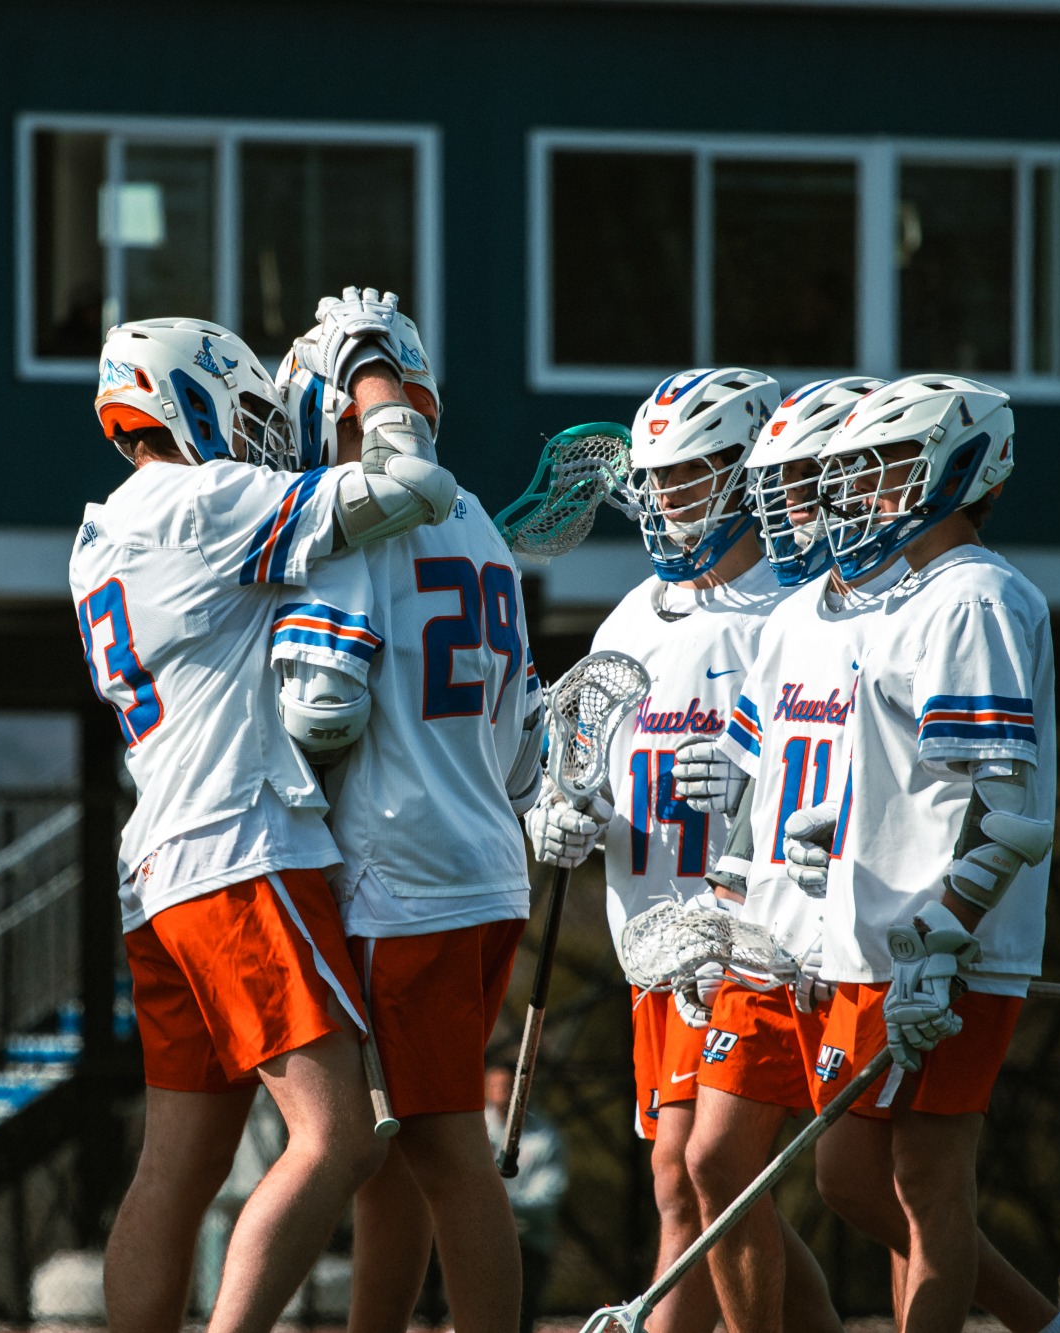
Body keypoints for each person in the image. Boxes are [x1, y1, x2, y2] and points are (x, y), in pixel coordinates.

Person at [70, 311, 459, 1333]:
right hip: (238, 853)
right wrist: (375, 381)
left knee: (174, 1167)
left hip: (155, 868)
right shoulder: (205, 499)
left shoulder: (102, 529)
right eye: (243, 416)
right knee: (341, 1138)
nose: (260, 439)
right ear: (188, 404)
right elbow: (416, 488)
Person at [774, 375, 1060, 1333]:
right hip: (883, 935)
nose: (864, 494)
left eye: (892, 469)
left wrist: (945, 938)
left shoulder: (977, 596)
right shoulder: (903, 600)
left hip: (943, 943)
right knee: (852, 1175)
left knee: (925, 1182)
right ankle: (1048, 1327)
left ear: (966, 467)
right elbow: (913, 781)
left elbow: (1006, 810)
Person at [268, 297, 544, 1333]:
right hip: (481, 853)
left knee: (442, 1148)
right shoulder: (472, 516)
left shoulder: (350, 514)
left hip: (400, 873)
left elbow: (322, 706)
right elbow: (522, 744)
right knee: (394, 1148)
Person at [526, 368, 793, 1333]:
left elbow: (826, 766)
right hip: (647, 937)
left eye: (688, 476)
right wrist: (559, 812)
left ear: (746, 467)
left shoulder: (790, 613)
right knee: (701, 1185)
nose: (666, 501)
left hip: (739, 940)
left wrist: (755, 798)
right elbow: (586, 760)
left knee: (692, 1175)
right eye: (657, 479)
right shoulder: (633, 613)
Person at [671, 377, 888, 1333]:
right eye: (780, 491)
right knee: (713, 1161)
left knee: (874, 1184)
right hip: (767, 934)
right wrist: (719, 913)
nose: (785, 513)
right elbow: (754, 794)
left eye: (805, 488)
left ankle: (1038, 1319)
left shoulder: (918, 611)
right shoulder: (793, 618)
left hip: (864, 940)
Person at [483, 1059, 568, 1333]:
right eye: (495, 1085)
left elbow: (548, 1196)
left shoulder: (546, 1137)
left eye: (508, 1086)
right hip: (480, 1239)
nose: (502, 1092)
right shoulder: (473, 1132)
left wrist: (498, 1205)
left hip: (528, 1242)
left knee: (520, 1317)